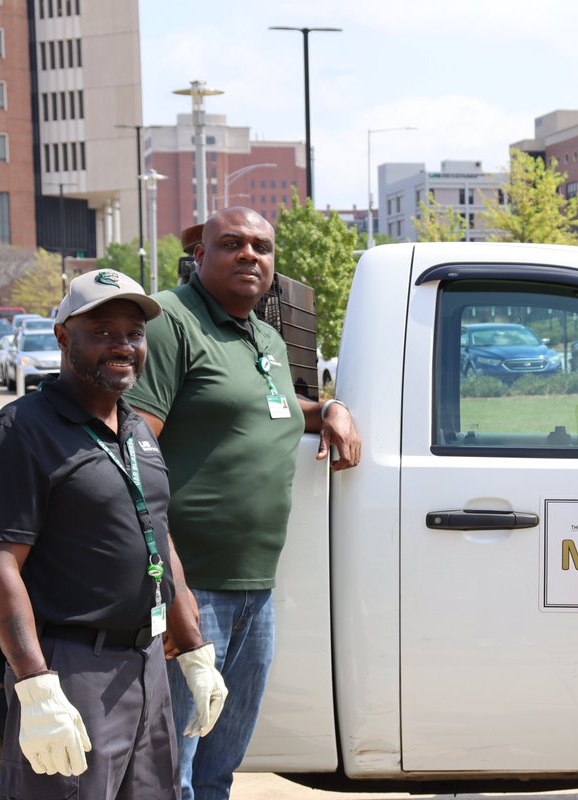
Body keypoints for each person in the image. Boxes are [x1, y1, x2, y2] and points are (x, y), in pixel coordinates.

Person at [124, 206, 361, 800]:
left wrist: (327, 409)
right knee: (169, 772)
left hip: (255, 591)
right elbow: (132, 451)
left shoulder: (266, 336)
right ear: (199, 255)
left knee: (216, 771)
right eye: (231, 243)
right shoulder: (172, 321)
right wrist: (168, 583)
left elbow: (267, 404)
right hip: (188, 588)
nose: (250, 255)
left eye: (262, 246)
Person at [0, 269, 228, 799]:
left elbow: (161, 540)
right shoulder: (20, 432)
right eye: (103, 331)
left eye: (133, 334)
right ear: (64, 335)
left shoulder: (136, 429)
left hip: (147, 664)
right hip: (71, 669)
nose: (123, 346)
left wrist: (196, 650)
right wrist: (36, 685)